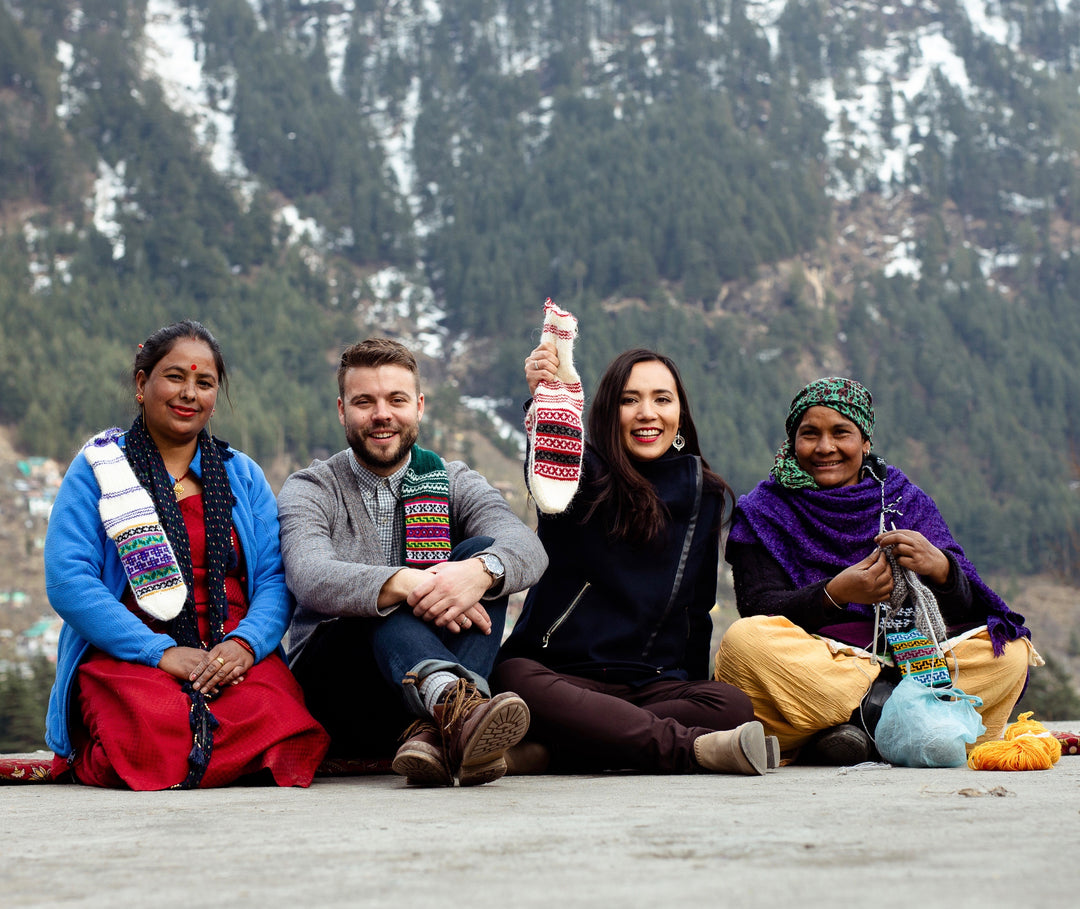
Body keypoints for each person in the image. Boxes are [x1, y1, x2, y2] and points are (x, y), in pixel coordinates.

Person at [45, 320, 329, 789]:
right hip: (131, 651)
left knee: (282, 720)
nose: (189, 394)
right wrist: (158, 652)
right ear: (142, 383)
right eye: (175, 377)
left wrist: (245, 645)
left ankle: (187, 762)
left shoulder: (243, 475)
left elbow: (276, 579)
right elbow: (67, 581)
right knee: (150, 725)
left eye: (204, 382)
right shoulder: (99, 469)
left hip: (228, 650)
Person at [714, 376, 1041, 764]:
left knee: (1010, 653)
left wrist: (942, 569)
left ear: (865, 441)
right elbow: (758, 607)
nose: (825, 447)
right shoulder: (764, 509)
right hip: (821, 664)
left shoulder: (904, 499)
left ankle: (841, 727)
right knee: (745, 641)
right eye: (809, 434)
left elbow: (968, 609)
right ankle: (903, 722)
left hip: (910, 660)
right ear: (792, 440)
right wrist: (836, 593)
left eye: (841, 433)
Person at [493, 342, 774, 776]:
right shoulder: (578, 475)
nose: (647, 413)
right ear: (609, 412)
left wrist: (691, 685)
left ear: (679, 413)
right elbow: (551, 467)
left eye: (662, 399)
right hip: (560, 675)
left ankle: (553, 749)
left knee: (731, 705)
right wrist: (549, 399)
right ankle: (694, 750)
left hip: (648, 685)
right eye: (630, 400)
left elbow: (696, 611)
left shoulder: (705, 493)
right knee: (513, 681)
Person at [279, 338, 548, 787]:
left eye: (396, 400)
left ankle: (437, 726)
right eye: (365, 401)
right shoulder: (311, 488)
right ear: (342, 410)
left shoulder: (455, 480)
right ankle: (456, 706)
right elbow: (309, 576)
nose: (382, 414)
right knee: (373, 604)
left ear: (419, 406)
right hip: (337, 687)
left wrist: (479, 573)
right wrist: (406, 582)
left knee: (481, 551)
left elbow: (527, 546)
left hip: (402, 705)